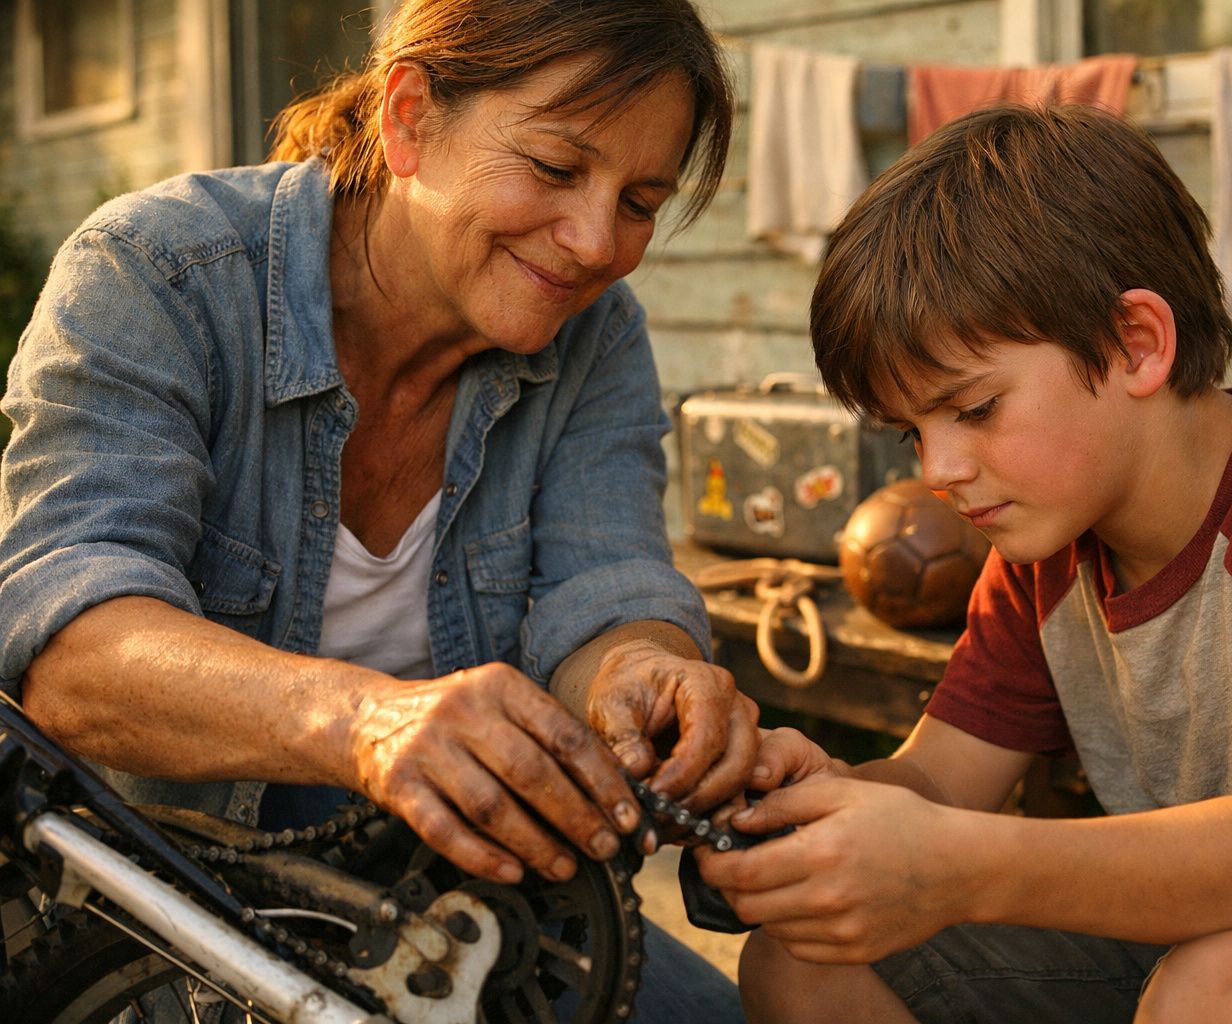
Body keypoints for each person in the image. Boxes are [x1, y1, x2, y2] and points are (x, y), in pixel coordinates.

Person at [697, 104, 1232, 1023]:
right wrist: (814, 802)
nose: (936, 471)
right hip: (1209, 944)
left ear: (1138, 342)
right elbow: (940, 782)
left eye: (973, 411)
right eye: (912, 433)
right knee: (807, 963)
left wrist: (953, 864)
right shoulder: (1049, 543)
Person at [0, 0, 755, 1019]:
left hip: (453, 896)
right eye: (555, 167)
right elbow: (72, 651)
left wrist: (644, 672)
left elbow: (604, 585)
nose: (592, 243)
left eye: (640, 201)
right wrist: (365, 722)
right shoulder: (160, 273)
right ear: (408, 118)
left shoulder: (595, 335)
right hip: (160, 901)